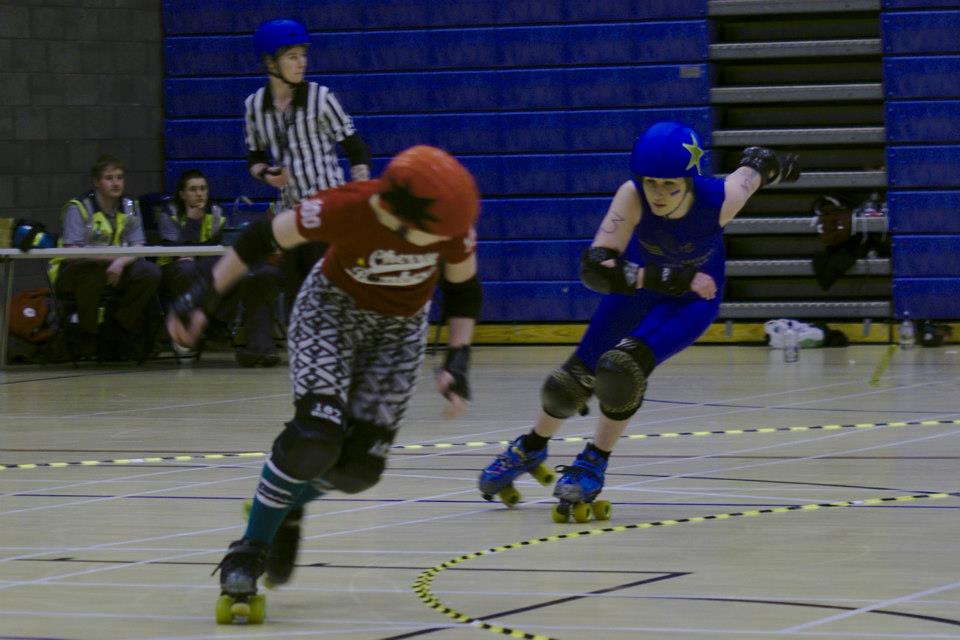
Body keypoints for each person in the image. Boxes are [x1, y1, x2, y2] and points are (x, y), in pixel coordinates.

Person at [166, 145, 482, 623]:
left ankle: (286, 504)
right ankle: (249, 550)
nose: (440, 242)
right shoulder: (349, 205)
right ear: (396, 215)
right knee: (314, 437)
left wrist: (458, 360)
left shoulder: (449, 227)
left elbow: (463, 291)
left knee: (360, 469)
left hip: (397, 333)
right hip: (330, 312)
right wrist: (205, 294)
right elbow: (260, 238)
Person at [478, 121, 800, 522]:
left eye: (670, 185)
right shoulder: (631, 197)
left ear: (689, 180)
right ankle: (530, 446)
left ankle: (594, 461)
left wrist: (776, 166)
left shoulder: (720, 198)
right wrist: (662, 277)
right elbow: (595, 269)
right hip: (643, 290)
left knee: (620, 371)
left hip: (691, 302)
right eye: (651, 183)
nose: (659, 195)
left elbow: (753, 169)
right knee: (568, 383)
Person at [245, 18, 372, 317]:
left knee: (328, 293)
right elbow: (254, 159)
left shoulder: (321, 98)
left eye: (304, 55)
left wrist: (360, 190)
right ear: (270, 62)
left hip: (328, 211)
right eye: (292, 56)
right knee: (297, 299)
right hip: (290, 215)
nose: (302, 63)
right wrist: (265, 174)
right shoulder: (254, 106)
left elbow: (356, 149)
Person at [157, 169, 283, 366]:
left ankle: (216, 324)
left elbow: (220, 248)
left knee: (238, 274)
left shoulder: (216, 212)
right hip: (174, 269)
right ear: (182, 194)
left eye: (203, 189)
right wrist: (192, 220)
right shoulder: (168, 213)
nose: (199, 194)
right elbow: (178, 251)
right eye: (193, 189)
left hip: (205, 266)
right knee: (187, 269)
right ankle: (188, 326)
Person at [49, 154, 161, 361]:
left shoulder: (130, 206)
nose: (116, 182)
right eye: (109, 178)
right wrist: (113, 260)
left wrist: (120, 262)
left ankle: (117, 327)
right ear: (96, 182)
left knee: (150, 272)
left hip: (115, 271)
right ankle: (88, 334)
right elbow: (73, 253)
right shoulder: (79, 207)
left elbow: (138, 245)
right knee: (89, 273)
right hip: (74, 274)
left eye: (119, 177)